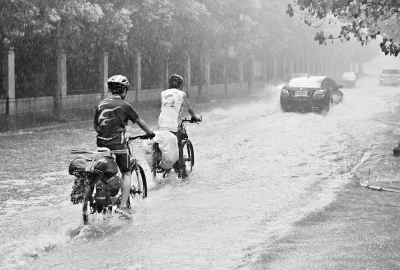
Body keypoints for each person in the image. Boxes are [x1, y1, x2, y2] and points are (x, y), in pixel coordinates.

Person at [94, 75, 154, 217]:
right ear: (124, 90)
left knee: (103, 172)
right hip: (118, 145)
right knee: (126, 172)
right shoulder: (125, 105)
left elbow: (96, 127)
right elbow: (140, 122)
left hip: (101, 144)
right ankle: (122, 207)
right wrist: (150, 133)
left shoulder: (100, 104)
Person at [158, 74, 201, 179]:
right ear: (181, 85)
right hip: (174, 124)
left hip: (161, 123)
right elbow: (189, 109)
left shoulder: (163, 93)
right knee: (178, 146)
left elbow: (166, 108)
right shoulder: (183, 94)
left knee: (165, 144)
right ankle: (181, 170)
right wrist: (194, 117)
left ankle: (164, 165)